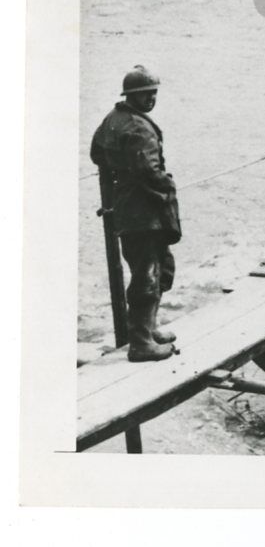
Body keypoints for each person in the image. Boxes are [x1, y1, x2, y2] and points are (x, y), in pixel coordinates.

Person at [89, 66, 182, 362]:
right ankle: (141, 343)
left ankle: (148, 327)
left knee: (159, 267)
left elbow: (97, 153)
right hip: (144, 209)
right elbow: (149, 170)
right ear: (131, 95)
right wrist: (168, 186)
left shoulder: (113, 119)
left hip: (127, 204)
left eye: (153, 93)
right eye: (145, 94)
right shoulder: (138, 128)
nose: (151, 99)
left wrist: (120, 171)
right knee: (148, 273)